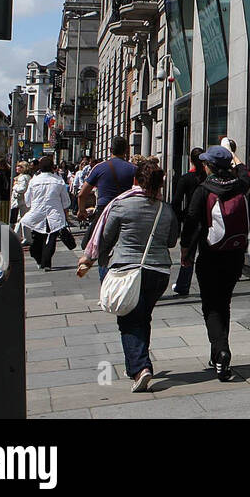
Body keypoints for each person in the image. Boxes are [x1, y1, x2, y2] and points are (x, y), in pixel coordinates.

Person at [76, 158, 180, 393]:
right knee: (142, 317)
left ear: (135, 180)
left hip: (128, 270)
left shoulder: (121, 205)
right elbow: (172, 240)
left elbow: (105, 239)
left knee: (129, 320)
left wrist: (90, 259)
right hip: (159, 272)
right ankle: (134, 363)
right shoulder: (166, 209)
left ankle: (141, 368)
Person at [180, 145, 250, 382]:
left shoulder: (203, 190)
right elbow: (244, 171)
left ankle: (221, 352)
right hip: (235, 254)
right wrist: (233, 153)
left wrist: (185, 250)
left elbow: (191, 222)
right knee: (224, 303)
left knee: (211, 306)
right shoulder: (239, 185)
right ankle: (217, 356)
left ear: (210, 166)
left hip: (210, 255)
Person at [79, 137, 138, 279]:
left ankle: (105, 284)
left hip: (104, 212)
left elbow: (82, 194)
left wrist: (81, 211)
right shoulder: (134, 169)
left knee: (102, 248)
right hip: (127, 211)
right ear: (126, 150)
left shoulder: (99, 168)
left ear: (110, 150)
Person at [18, 157, 73, 272]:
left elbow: (28, 200)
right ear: (52, 167)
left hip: (37, 214)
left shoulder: (34, 181)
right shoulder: (58, 181)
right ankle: (46, 262)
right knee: (51, 239)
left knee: (38, 238)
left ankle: (39, 259)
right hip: (55, 213)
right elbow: (66, 201)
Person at [168, 147, 206, 297]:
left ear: (190, 160)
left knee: (187, 254)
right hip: (207, 220)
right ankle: (206, 286)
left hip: (191, 220)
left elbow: (176, 202)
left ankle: (183, 285)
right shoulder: (207, 178)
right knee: (205, 254)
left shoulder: (185, 179)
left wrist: (179, 219)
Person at [10, 161, 31, 228]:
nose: (17, 168)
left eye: (19, 166)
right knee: (21, 219)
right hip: (23, 200)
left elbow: (22, 189)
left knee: (17, 219)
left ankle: (15, 235)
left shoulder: (22, 178)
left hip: (19, 201)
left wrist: (15, 186)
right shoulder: (27, 177)